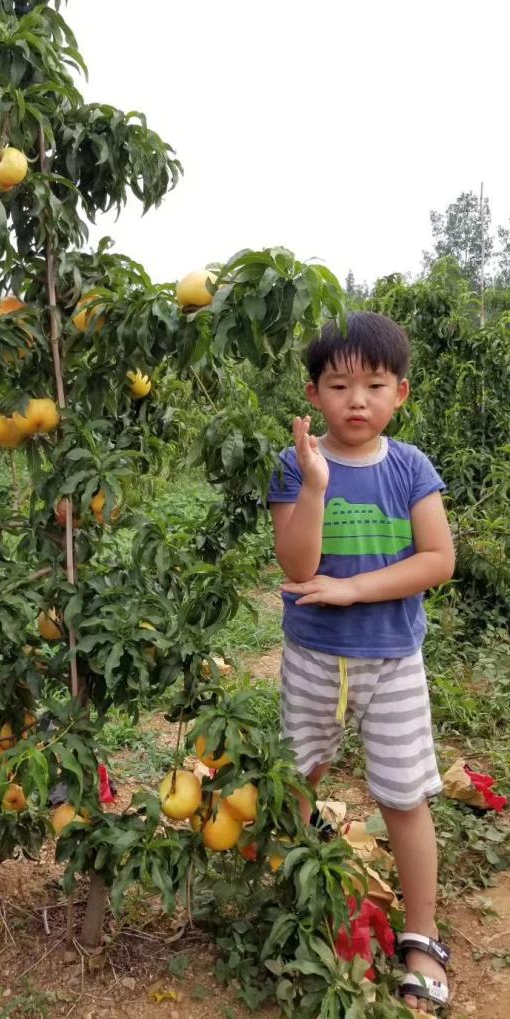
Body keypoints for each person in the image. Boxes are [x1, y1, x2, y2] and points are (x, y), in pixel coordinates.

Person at [267, 311, 455, 1014]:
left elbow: (438, 560)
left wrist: (351, 588)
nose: (357, 399)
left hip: (392, 660)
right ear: (314, 394)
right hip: (315, 657)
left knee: (404, 795)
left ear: (400, 393)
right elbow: (296, 564)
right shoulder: (295, 465)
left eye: (374, 384)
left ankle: (422, 933)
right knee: (297, 775)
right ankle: (291, 892)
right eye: (339, 383)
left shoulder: (411, 467)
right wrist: (314, 484)